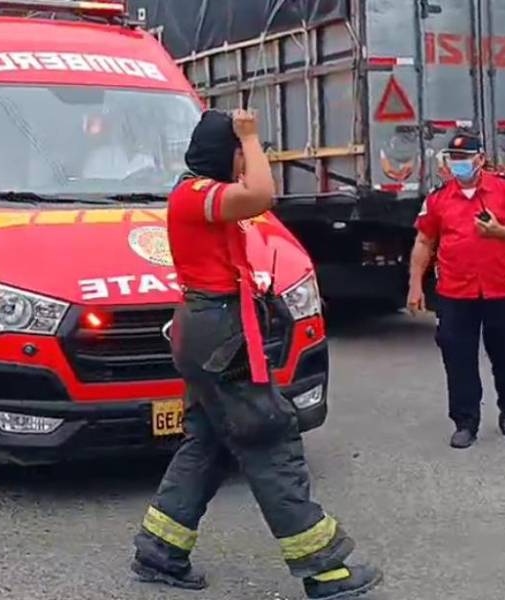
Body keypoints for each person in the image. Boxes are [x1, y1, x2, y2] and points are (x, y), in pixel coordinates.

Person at [128, 110, 382, 599]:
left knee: (207, 441)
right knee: (269, 437)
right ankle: (324, 569)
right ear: (225, 153)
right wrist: (250, 134)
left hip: (211, 332)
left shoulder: (199, 193)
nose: (248, 159)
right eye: (240, 152)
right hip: (217, 334)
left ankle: (159, 550)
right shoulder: (197, 193)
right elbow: (263, 194)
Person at [407, 132, 505, 449]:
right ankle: (465, 422)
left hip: (502, 289)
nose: (459, 164)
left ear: (480, 159)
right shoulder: (439, 199)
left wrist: (499, 231)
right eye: (453, 159)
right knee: (458, 358)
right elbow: (425, 241)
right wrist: (415, 285)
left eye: (465, 158)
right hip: (456, 292)